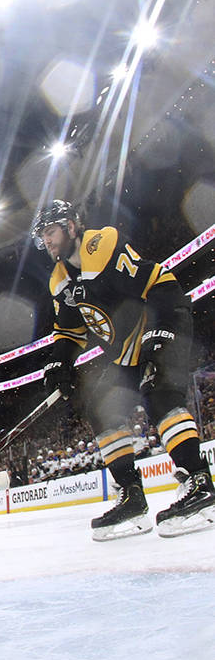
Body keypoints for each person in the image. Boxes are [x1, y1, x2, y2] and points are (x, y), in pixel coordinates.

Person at [33, 199, 215, 539]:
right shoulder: (60, 279)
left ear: (72, 226)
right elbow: (70, 331)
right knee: (102, 410)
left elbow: (156, 285)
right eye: (42, 235)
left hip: (163, 313)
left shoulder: (98, 246)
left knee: (157, 392)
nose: (47, 240)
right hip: (128, 345)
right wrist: (59, 362)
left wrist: (158, 338)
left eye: (51, 231)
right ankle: (132, 497)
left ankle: (200, 481)